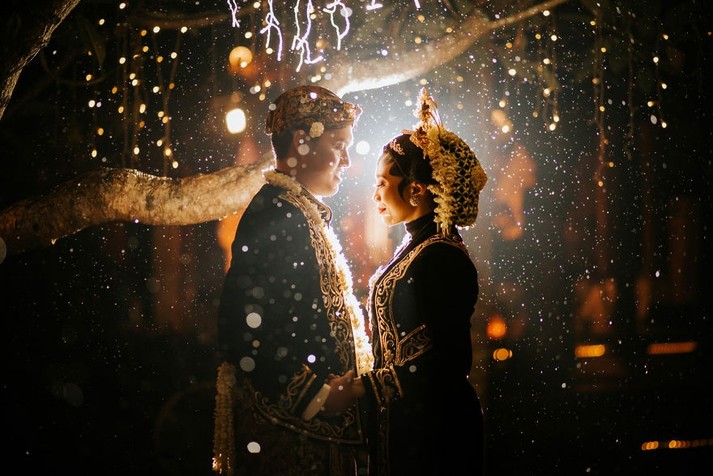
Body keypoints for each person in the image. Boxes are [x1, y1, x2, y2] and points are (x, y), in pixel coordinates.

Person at [212, 85, 374, 476]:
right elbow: (241, 328)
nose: (347, 160)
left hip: (313, 432)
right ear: (302, 141)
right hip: (290, 436)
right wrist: (317, 396)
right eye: (339, 145)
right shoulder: (276, 214)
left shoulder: (296, 209)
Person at [335, 87, 489, 475]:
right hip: (409, 427)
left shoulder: (442, 256)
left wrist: (366, 387)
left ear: (416, 190)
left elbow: (448, 362)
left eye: (381, 182)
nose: (375, 194)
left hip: (435, 435)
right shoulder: (417, 248)